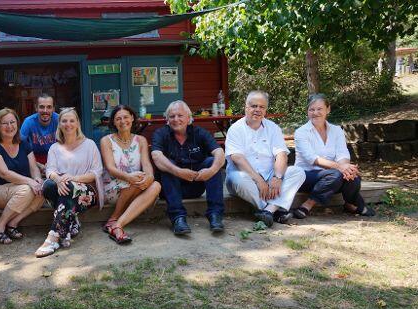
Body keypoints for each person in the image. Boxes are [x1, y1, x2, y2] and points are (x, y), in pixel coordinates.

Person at [225, 91, 306, 227]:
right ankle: (276, 210)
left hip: (269, 176)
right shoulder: (235, 129)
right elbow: (237, 158)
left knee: (298, 172)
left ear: (266, 110)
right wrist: (258, 180)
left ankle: (268, 211)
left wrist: (277, 177)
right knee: (238, 179)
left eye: (261, 107)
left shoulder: (273, 128)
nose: (257, 110)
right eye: (254, 106)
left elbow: (281, 154)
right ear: (246, 107)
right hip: (245, 177)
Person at [293, 94, 375, 218]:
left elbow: (342, 153)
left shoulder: (337, 130)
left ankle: (349, 204)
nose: (315, 113)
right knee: (336, 174)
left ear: (328, 109)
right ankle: (308, 204)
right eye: (311, 109)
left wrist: (346, 167)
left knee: (353, 176)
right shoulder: (301, 132)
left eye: (319, 109)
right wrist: (340, 167)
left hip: (332, 177)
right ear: (307, 112)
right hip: (306, 176)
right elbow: (312, 159)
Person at [35, 108, 103, 257]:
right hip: (64, 187)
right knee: (48, 185)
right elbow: (50, 171)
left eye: (72, 120)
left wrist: (73, 178)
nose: (68, 124)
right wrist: (58, 179)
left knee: (70, 187)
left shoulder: (89, 144)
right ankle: (71, 222)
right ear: (59, 124)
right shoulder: (54, 148)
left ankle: (53, 236)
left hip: (87, 191)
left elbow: (96, 172)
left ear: (78, 123)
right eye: (64, 121)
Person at [151, 100, 226, 234]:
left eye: (180, 115)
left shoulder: (199, 132)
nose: (176, 119)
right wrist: (178, 172)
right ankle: (178, 218)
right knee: (167, 165)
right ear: (167, 119)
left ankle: (215, 215)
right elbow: (156, 156)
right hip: (169, 189)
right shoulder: (161, 133)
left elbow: (219, 152)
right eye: (172, 116)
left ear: (188, 118)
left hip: (194, 185)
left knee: (211, 161)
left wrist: (212, 170)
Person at [100, 105, 161, 244]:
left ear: (132, 118)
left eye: (126, 117)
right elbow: (110, 168)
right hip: (113, 187)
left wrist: (150, 176)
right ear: (114, 122)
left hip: (135, 184)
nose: (123, 121)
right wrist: (129, 177)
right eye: (118, 119)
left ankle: (116, 224)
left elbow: (146, 164)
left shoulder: (141, 140)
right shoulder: (106, 140)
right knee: (137, 178)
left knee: (156, 185)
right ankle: (115, 218)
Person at [0, 108, 45, 244]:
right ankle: (0, 225)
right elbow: (4, 173)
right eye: (4, 123)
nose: (9, 126)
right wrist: (31, 182)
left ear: (17, 124)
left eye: (12, 122)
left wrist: (37, 179)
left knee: (43, 190)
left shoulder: (24, 143)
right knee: (27, 189)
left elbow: (33, 167)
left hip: (21, 190)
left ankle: (13, 222)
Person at [20, 94, 59, 172]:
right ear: (36, 108)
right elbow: (19, 146)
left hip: (56, 158)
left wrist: (53, 162)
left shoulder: (59, 119)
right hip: (35, 158)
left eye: (49, 107)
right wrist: (36, 164)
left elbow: (67, 145)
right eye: (41, 107)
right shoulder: (29, 122)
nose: (45, 111)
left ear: (53, 109)